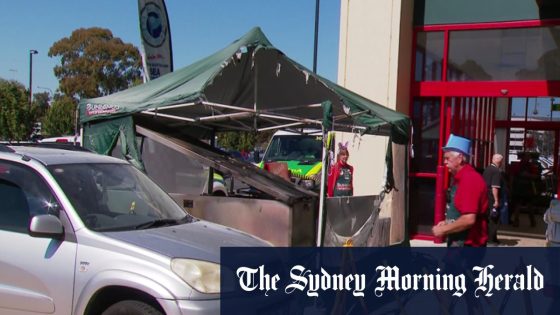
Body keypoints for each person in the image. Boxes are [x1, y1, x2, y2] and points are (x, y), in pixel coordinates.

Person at [432, 134, 489, 247]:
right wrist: (448, 222)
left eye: (447, 158)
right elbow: (460, 211)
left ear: (460, 158)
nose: (445, 162)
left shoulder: (469, 179)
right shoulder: (459, 178)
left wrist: (443, 230)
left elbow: (468, 219)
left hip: (468, 245)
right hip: (459, 242)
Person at [483, 153, 504, 245]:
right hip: (492, 197)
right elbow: (494, 187)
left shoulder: (487, 169)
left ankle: (493, 238)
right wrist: (496, 200)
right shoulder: (496, 171)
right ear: (501, 162)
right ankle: (491, 239)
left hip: (486, 196)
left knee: (489, 217)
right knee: (494, 218)